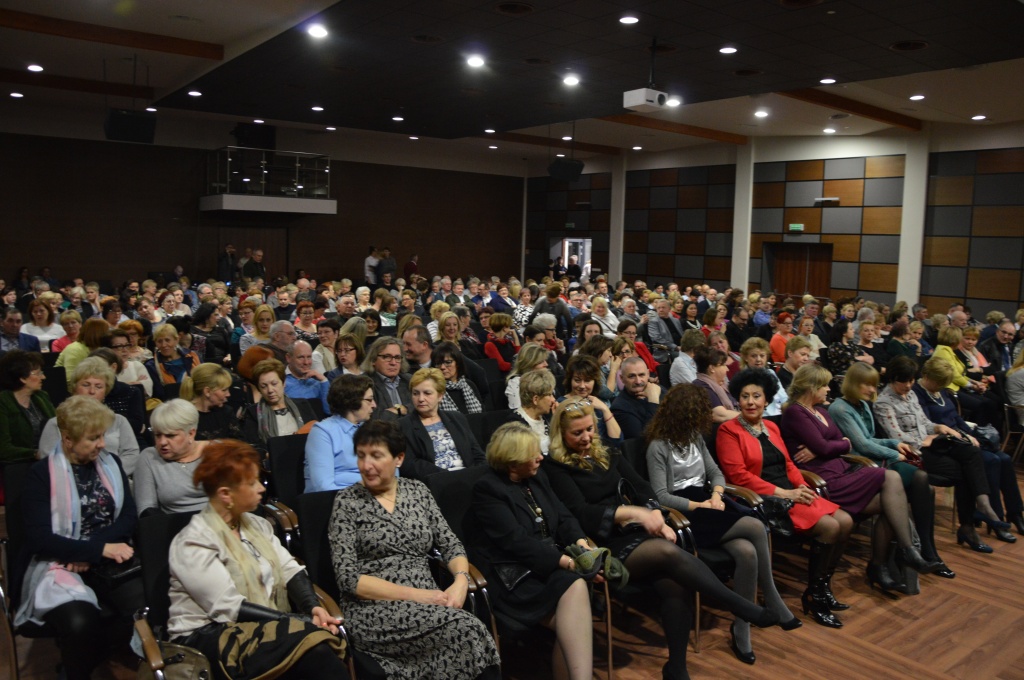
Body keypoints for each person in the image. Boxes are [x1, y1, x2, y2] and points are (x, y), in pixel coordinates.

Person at [542, 399, 781, 679]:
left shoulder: (605, 451)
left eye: (589, 429)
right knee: (667, 553)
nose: (586, 438)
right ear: (561, 433)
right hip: (599, 542)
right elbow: (581, 513)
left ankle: (676, 668)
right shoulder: (555, 466)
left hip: (633, 531)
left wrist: (657, 515)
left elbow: (642, 487)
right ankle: (739, 605)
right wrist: (634, 513)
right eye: (577, 433)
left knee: (675, 583)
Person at [328, 420, 500, 679]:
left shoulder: (418, 491)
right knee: (467, 630)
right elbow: (348, 578)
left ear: (398, 458)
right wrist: (419, 596)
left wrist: (461, 581)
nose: (366, 465)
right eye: (361, 456)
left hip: (430, 603)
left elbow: (450, 544)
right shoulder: (347, 502)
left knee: (465, 632)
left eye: (376, 456)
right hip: (373, 609)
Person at [167, 439, 347, 680]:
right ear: (226, 494)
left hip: (258, 625)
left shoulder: (257, 525)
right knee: (316, 651)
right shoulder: (194, 541)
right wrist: (300, 621)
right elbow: (228, 607)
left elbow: (289, 568)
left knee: (321, 645)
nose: (262, 488)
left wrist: (313, 608)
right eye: (252, 483)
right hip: (208, 637)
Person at [647, 384, 801, 661]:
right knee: (756, 525)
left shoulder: (694, 438)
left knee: (747, 551)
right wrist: (701, 505)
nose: (703, 419)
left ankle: (741, 626)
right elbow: (661, 496)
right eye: (698, 414)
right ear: (684, 414)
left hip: (708, 501)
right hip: (684, 511)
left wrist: (716, 495)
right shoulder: (658, 446)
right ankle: (772, 598)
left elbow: (716, 473)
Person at [780, 364, 942, 593]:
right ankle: (907, 551)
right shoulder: (795, 413)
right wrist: (832, 446)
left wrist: (831, 446)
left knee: (890, 504)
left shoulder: (821, 411)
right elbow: (833, 445)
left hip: (843, 470)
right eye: (824, 385)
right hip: (824, 479)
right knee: (890, 477)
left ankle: (880, 565)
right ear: (811, 387)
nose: (828, 389)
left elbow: (839, 443)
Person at [12, 396, 142, 680]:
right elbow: (39, 538)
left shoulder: (111, 463)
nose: (102, 444)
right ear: (68, 439)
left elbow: (128, 517)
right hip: (58, 562)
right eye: (93, 438)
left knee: (145, 605)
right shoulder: (41, 475)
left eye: (103, 436)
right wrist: (94, 550)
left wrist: (93, 551)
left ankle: (101, 654)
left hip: (107, 556)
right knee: (80, 623)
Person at [716, 368, 852, 628]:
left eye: (757, 396)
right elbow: (738, 476)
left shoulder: (771, 427)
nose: (751, 402)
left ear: (767, 399)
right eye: (745, 396)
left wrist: (803, 488)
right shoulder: (728, 431)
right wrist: (786, 493)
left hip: (790, 492)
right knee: (830, 527)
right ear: (738, 400)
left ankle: (823, 587)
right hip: (764, 499)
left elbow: (789, 464)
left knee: (845, 521)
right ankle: (814, 597)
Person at [467, 422, 594, 680]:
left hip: (548, 564)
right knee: (575, 596)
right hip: (514, 576)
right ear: (513, 462)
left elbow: (563, 516)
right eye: (532, 454)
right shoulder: (488, 489)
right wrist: (568, 562)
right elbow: (516, 542)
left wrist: (582, 544)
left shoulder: (537, 477)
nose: (540, 457)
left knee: (572, 613)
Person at [829, 362, 953, 578]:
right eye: (867, 385)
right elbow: (862, 446)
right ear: (853, 383)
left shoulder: (863, 404)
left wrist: (894, 444)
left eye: (874, 385)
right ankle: (918, 551)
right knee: (920, 481)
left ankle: (912, 552)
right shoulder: (839, 408)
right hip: (858, 465)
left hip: (875, 460)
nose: (872, 390)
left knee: (923, 484)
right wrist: (895, 453)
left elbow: (871, 439)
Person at [874, 356, 1010, 554]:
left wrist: (938, 427)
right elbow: (895, 436)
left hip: (930, 444)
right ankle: (969, 525)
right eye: (905, 381)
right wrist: (924, 440)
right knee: (965, 470)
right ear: (893, 378)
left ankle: (982, 504)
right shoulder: (883, 402)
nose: (909, 385)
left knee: (971, 451)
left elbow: (924, 422)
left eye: (912, 380)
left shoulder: (910, 394)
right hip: (913, 452)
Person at [912, 357, 1024, 541]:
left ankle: (1015, 512)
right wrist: (962, 437)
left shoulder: (943, 391)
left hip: (961, 439)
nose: (941, 386)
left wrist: (970, 435)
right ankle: (995, 517)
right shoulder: (917, 394)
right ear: (927, 376)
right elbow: (928, 425)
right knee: (992, 461)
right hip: (945, 443)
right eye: (939, 382)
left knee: (1004, 458)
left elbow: (957, 418)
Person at [37, 357, 141, 475]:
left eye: (98, 386)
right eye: (86, 385)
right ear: (74, 388)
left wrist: (108, 473)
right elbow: (48, 458)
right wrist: (84, 475)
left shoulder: (119, 421)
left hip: (115, 476)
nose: (92, 391)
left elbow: (132, 454)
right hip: (69, 479)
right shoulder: (56, 423)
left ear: (105, 392)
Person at [398, 368, 486, 480]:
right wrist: (449, 477)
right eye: (415, 393)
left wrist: (475, 475)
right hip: (435, 481)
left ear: (440, 396)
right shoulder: (403, 425)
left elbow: (477, 454)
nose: (420, 399)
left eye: (427, 393)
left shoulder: (457, 418)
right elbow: (410, 464)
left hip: (469, 477)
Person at [134, 400, 211, 515]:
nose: (162, 442)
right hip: (173, 524)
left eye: (170, 435)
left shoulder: (217, 452)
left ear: (191, 434)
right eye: (157, 435)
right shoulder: (149, 457)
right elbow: (146, 508)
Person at [305, 374, 375, 492]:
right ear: (352, 401)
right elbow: (323, 486)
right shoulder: (322, 432)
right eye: (369, 400)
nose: (374, 405)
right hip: (334, 500)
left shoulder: (369, 429)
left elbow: (391, 472)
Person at [241, 359, 318, 452]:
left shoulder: (302, 405)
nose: (270, 390)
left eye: (274, 384)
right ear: (259, 389)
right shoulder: (253, 413)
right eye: (264, 386)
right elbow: (254, 447)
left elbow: (316, 434)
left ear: (284, 383)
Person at [0, 349, 55, 464]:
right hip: (19, 464)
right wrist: (35, 454)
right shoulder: (3, 402)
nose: (43, 377)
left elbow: (57, 427)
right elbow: (3, 448)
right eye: (38, 373)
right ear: (23, 378)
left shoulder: (42, 396)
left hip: (49, 458)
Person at [180, 363, 242, 440]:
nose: (228, 394)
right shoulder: (183, 417)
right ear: (207, 391)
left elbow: (240, 444)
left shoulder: (227, 412)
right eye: (224, 390)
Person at [509, 369, 557, 455]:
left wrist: (557, 419)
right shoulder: (516, 424)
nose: (553, 400)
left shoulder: (547, 416)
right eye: (549, 395)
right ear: (536, 399)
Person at [145, 323, 200, 398]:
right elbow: (159, 394)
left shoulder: (193, 356)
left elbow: (203, 381)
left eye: (167, 340)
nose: (164, 345)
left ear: (176, 340)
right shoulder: (151, 366)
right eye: (159, 341)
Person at [362, 337, 412, 419]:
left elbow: (421, 406)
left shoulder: (409, 380)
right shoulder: (364, 383)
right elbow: (371, 416)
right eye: (387, 357)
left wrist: (404, 409)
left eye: (397, 357)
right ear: (373, 360)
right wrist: (399, 411)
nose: (393, 363)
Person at [612, 357, 661, 439]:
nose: (638, 381)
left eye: (641, 375)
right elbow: (644, 439)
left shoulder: (659, 390)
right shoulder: (619, 408)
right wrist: (653, 401)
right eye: (631, 376)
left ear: (648, 374)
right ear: (622, 378)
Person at [56, 317, 109, 388]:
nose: (109, 335)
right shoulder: (75, 350)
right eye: (107, 331)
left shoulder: (100, 349)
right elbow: (70, 380)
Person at [433, 342, 484, 415]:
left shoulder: (470, 385)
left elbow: (483, 414)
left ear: (457, 363)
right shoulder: (434, 389)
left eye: (448, 362)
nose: (442, 367)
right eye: (438, 363)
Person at [692, 346, 739, 422]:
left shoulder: (723, 385)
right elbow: (720, 415)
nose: (727, 369)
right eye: (723, 365)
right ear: (712, 368)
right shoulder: (701, 386)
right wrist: (748, 416)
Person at [505, 343, 552, 409]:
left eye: (545, 360)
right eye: (541, 362)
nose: (546, 364)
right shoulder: (516, 383)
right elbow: (517, 410)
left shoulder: (546, 378)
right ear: (529, 363)